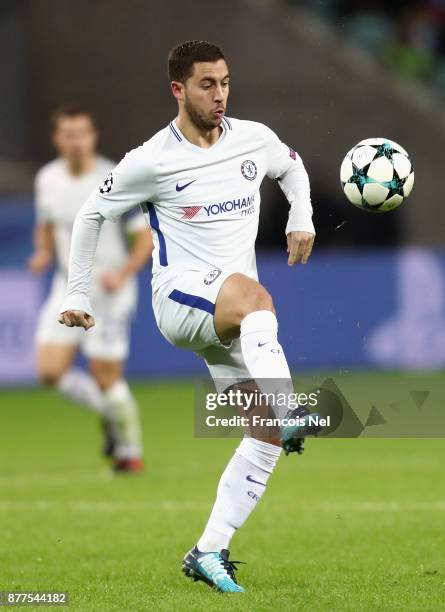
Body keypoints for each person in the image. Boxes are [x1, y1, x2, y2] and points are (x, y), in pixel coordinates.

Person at [58, 41, 316, 591]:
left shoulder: (255, 138)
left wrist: (302, 216)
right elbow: (91, 214)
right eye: (206, 84)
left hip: (227, 313)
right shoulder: (153, 158)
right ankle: (290, 402)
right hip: (178, 299)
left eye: (224, 82)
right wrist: (76, 294)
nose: (220, 94)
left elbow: (291, 169)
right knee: (260, 299)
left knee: (264, 434)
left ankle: (209, 550)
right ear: (178, 89)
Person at [29, 106, 153, 472]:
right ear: (57, 139)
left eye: (82, 133)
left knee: (105, 374)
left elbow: (144, 239)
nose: (76, 141)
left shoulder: (113, 178)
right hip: (67, 286)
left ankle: (130, 454)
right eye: (68, 133)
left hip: (109, 289)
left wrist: (124, 273)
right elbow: (47, 223)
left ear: (93, 136)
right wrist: (42, 252)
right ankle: (111, 415)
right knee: (50, 372)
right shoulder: (47, 178)